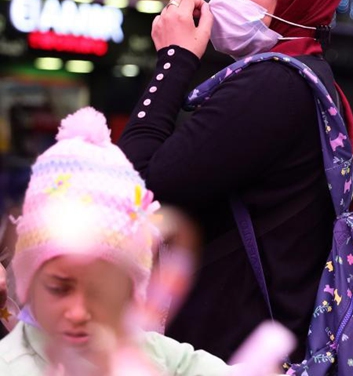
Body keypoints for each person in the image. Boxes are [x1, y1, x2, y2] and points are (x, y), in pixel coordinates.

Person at [118, 0, 353, 362]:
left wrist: (173, 60)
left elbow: (134, 185)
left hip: (235, 356)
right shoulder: (308, 81)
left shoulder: (274, 84)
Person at [0, 107, 230, 375]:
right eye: (59, 288)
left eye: (101, 291)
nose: (78, 312)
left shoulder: (158, 356)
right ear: (29, 283)